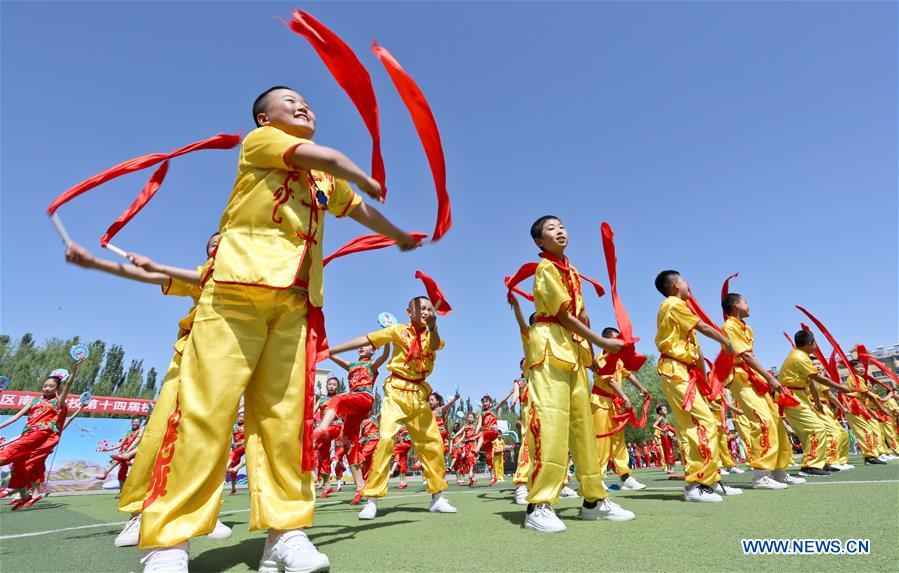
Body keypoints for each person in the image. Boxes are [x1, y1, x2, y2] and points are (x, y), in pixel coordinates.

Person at [136, 86, 419, 573]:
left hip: (294, 304)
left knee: (287, 422)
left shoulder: (324, 178)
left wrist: (396, 235)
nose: (303, 105)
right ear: (265, 117)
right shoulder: (261, 142)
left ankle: (285, 535)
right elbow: (326, 157)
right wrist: (357, 170)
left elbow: (355, 208)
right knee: (206, 414)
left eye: (306, 100)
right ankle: (169, 543)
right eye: (290, 101)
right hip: (235, 294)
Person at [65, 235, 232, 547]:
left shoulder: (256, 276)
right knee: (160, 433)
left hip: (230, 364)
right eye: (212, 241)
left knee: (212, 439)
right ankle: (139, 515)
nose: (217, 242)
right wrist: (96, 264)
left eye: (223, 238)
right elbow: (151, 275)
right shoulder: (203, 275)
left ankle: (205, 512)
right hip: (192, 357)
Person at [521, 215, 635, 533]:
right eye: (551, 229)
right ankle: (538, 505)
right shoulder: (545, 268)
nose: (560, 230)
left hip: (572, 352)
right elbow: (562, 313)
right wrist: (600, 340)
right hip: (549, 348)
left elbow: (580, 314)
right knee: (551, 424)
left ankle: (593, 501)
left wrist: (592, 348)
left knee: (582, 429)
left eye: (562, 226)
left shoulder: (571, 271)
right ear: (539, 242)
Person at [328, 296, 456, 520]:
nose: (425, 311)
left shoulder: (430, 335)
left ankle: (438, 497)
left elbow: (435, 345)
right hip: (396, 390)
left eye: (428, 309)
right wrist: (330, 350)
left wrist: (434, 325)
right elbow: (366, 339)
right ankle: (372, 499)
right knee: (386, 439)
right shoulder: (397, 331)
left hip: (419, 394)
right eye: (421, 308)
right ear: (409, 312)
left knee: (432, 443)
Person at [653, 269, 740, 502]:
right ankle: (696, 483)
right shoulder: (673, 304)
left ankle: (710, 479)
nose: (689, 285)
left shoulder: (679, 311)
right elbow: (703, 326)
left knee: (700, 424)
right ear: (673, 286)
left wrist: (704, 381)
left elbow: (697, 351)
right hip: (675, 371)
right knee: (701, 423)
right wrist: (725, 341)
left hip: (685, 372)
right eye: (684, 281)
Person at [721, 292, 804, 489]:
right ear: (736, 305)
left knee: (776, 420)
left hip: (754, 378)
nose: (748, 305)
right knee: (762, 421)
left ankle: (778, 471)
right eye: (745, 302)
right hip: (741, 378)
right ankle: (759, 475)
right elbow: (746, 356)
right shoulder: (729, 327)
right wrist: (770, 377)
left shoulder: (746, 328)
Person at [0, 360, 81, 509]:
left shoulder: (58, 403)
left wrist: (74, 371)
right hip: (28, 435)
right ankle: (25, 495)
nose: (47, 388)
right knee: (19, 465)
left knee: (11, 455)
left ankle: (18, 490)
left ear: (58, 388)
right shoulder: (34, 401)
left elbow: (68, 386)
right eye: (45, 386)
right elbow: (15, 417)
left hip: (42, 435)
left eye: (51, 386)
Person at [317, 343, 391, 497]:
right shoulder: (351, 365)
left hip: (364, 398)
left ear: (373, 350)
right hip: (353, 406)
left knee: (337, 399)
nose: (362, 347)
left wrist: (388, 340)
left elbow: (385, 356)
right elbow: (331, 356)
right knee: (348, 442)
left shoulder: (371, 364)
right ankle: (360, 486)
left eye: (366, 346)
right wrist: (323, 348)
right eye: (361, 345)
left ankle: (322, 427)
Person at [779, 330, 854, 477]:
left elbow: (812, 382)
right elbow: (818, 378)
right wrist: (840, 387)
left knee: (818, 429)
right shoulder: (799, 357)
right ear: (810, 344)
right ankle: (810, 465)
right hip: (792, 397)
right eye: (815, 343)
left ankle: (820, 462)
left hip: (800, 396)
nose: (816, 346)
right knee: (817, 428)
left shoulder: (802, 356)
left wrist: (818, 403)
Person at [590, 329, 651, 492]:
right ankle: (598, 478)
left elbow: (627, 374)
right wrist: (625, 398)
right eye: (617, 340)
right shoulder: (600, 358)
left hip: (614, 403)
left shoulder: (618, 359)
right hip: (600, 402)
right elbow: (609, 380)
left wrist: (642, 389)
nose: (620, 343)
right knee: (602, 441)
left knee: (618, 440)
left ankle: (625, 476)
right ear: (606, 340)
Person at [98, 418, 144, 490]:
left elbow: (139, 438)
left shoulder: (141, 430)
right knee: (121, 472)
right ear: (132, 423)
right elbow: (120, 444)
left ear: (140, 423)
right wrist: (108, 449)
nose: (135, 423)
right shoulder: (129, 433)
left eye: (137, 422)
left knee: (119, 461)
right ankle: (121, 492)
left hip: (135, 451)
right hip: (126, 452)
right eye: (134, 422)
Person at [652, 405, 677, 474]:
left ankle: (670, 468)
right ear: (660, 411)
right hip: (664, 436)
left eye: (666, 410)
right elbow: (654, 425)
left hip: (668, 436)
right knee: (667, 451)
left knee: (670, 450)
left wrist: (673, 434)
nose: (666, 411)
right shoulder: (661, 418)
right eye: (664, 410)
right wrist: (662, 429)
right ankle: (669, 469)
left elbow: (668, 427)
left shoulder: (665, 418)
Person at [227, 411, 246, 496]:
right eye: (240, 416)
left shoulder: (246, 426)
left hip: (244, 447)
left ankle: (226, 467)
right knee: (233, 473)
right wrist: (232, 444)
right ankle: (233, 489)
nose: (242, 418)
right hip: (236, 448)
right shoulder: (234, 426)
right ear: (237, 417)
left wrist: (241, 443)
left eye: (243, 417)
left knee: (247, 458)